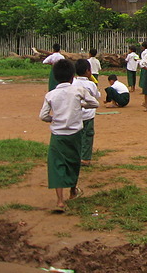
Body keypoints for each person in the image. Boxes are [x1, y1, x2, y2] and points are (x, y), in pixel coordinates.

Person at [39, 59, 99, 212]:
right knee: (73, 162)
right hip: (75, 133)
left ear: (55, 76)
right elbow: (95, 103)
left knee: (56, 165)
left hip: (58, 135)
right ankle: (73, 191)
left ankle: (60, 200)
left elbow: (43, 115)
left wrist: (53, 119)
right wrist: (81, 106)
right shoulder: (78, 91)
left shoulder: (51, 95)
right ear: (73, 76)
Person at [72, 59, 101, 167]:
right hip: (88, 114)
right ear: (88, 71)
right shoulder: (90, 84)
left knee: (76, 135)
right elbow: (97, 95)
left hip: (76, 114)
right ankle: (85, 158)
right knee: (87, 136)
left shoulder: (73, 82)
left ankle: (75, 156)